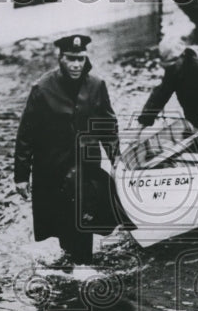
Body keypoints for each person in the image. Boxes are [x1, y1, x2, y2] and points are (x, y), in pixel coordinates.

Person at [14, 34, 121, 265]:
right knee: (62, 223)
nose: (76, 65)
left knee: (83, 220)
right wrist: (21, 176)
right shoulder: (42, 88)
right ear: (60, 58)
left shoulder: (96, 85)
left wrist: (115, 158)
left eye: (80, 59)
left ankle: (82, 266)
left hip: (85, 168)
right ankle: (71, 263)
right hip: (53, 169)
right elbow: (26, 134)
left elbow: (108, 126)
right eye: (71, 59)